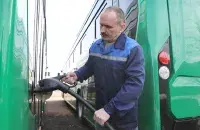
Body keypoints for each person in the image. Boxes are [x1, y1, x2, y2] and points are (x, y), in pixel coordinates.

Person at [62, 6, 145, 130]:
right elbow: (89, 67)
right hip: (100, 114)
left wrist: (108, 109)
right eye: (101, 25)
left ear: (122, 27)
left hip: (124, 119)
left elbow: (134, 85)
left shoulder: (133, 49)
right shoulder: (96, 46)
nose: (102, 30)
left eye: (108, 27)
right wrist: (77, 75)